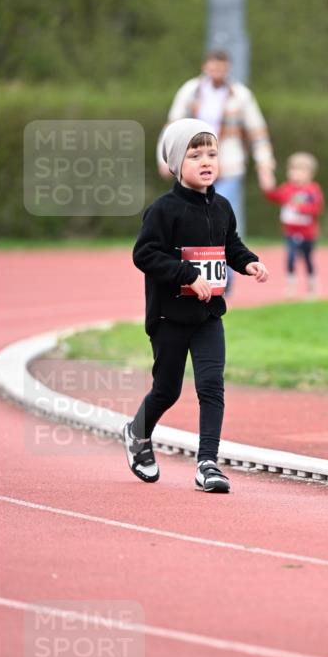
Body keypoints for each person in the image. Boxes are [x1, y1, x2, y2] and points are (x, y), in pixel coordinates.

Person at [124, 118, 269, 493]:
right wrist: (186, 275)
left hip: (207, 316)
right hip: (169, 316)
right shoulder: (163, 210)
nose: (206, 161)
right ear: (175, 163)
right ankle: (138, 432)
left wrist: (248, 261)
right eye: (195, 154)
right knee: (167, 390)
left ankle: (207, 463)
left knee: (211, 386)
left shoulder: (221, 207)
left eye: (212, 153)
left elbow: (229, 244)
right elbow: (145, 254)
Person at [156, 50, 276, 239]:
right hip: (193, 163)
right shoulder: (190, 91)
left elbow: (257, 132)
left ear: (227, 69)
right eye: (213, 67)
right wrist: (164, 158)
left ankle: (227, 267)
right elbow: (173, 125)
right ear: (205, 67)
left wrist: (265, 167)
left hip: (229, 163)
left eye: (221, 68)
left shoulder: (241, 95)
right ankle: (193, 265)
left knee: (223, 214)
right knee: (191, 214)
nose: (217, 72)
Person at [263, 152, 323, 299]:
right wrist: (267, 184)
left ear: (310, 174)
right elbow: (274, 196)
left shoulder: (312, 190)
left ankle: (312, 285)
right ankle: (291, 285)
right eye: (293, 170)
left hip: (308, 234)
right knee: (290, 257)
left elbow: (316, 209)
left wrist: (299, 208)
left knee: (307, 259)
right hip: (290, 232)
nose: (295, 174)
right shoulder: (287, 188)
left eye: (300, 171)